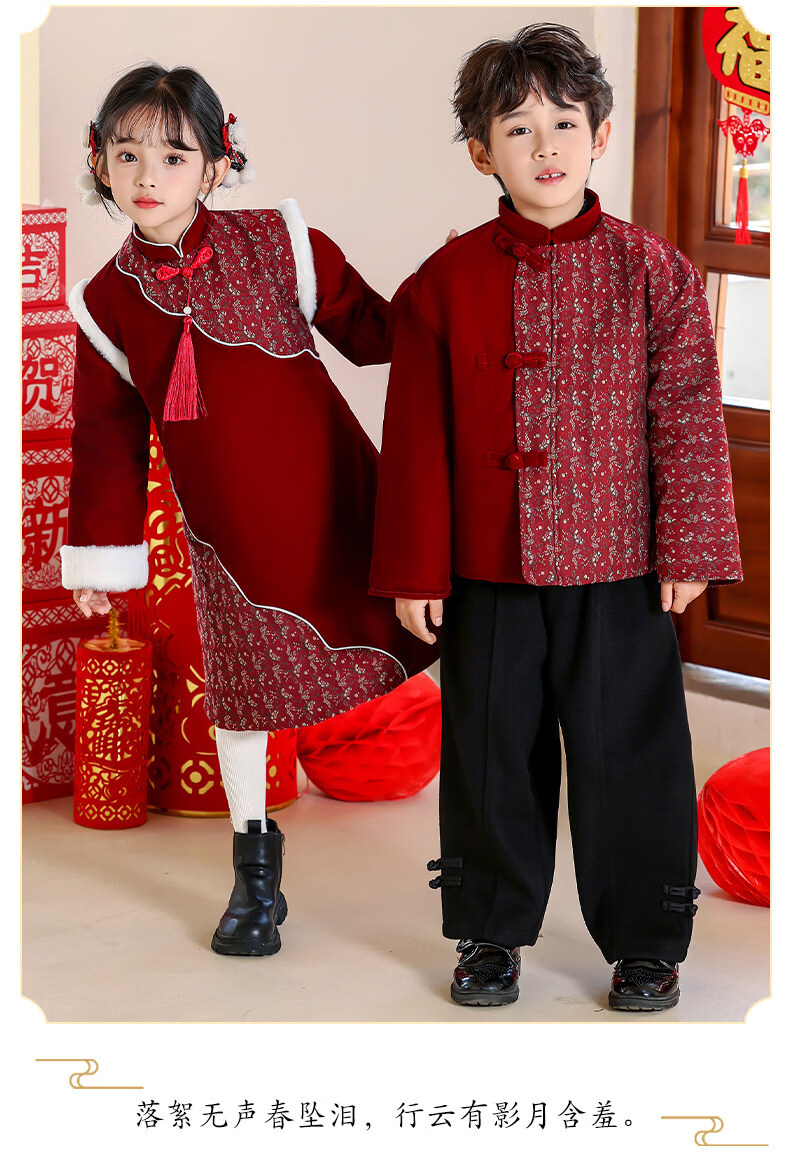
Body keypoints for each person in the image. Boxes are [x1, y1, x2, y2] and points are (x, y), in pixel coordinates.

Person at [370, 23, 742, 1011]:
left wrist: (689, 545)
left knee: (632, 755)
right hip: (488, 564)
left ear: (601, 135)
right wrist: (415, 567)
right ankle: (488, 934)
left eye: (565, 123)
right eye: (518, 128)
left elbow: (686, 413)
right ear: (480, 153)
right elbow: (416, 432)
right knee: (491, 753)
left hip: (621, 562)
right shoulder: (445, 279)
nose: (546, 147)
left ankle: (647, 941)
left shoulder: (652, 269)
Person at [62, 63, 438, 958]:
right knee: (242, 701)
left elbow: (377, 335)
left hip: (342, 500)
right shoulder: (106, 301)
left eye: (174, 155)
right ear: (100, 161)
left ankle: (482, 848)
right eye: (127, 154)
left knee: (439, 635)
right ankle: (255, 878)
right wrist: (102, 559)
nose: (148, 176)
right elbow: (106, 440)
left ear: (217, 164)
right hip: (230, 538)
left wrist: (451, 288)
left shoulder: (281, 242)